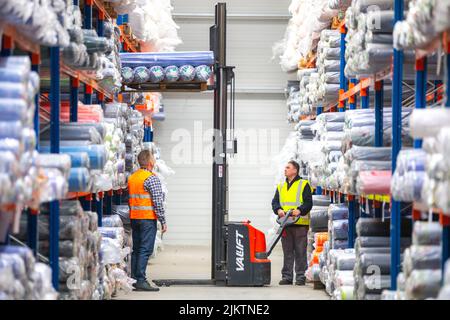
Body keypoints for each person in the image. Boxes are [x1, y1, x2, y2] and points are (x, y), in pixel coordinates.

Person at [128, 149, 167, 291]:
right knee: (145, 250)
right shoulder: (151, 178)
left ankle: (134, 279)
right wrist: (163, 221)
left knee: (136, 249)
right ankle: (141, 280)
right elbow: (158, 202)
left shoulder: (132, 177)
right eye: (153, 158)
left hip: (134, 218)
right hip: (147, 219)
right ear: (150, 162)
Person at [271, 160, 313, 286]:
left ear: (295, 170)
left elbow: (308, 203)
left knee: (300, 251)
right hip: (286, 224)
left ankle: (300, 277)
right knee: (287, 252)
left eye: (288, 167)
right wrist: (278, 210)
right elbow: (275, 202)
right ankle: (287, 277)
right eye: (285, 167)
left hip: (299, 224)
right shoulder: (281, 186)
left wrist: (299, 210)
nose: (285, 169)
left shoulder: (304, 184)